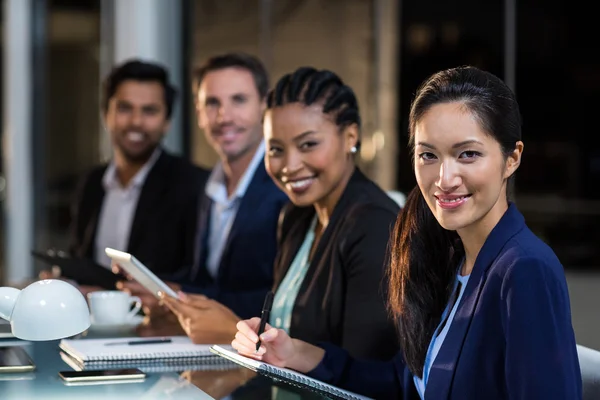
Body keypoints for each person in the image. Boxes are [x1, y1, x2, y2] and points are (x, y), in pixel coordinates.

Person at [230, 66, 582, 399]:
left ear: (512, 158)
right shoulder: (448, 259)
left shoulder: (524, 268)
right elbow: (402, 385)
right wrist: (294, 353)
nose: (444, 179)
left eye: (468, 154)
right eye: (428, 155)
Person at [164, 67, 400, 360]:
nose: (289, 165)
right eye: (275, 149)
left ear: (350, 136)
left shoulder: (376, 225)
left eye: (308, 144)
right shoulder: (296, 217)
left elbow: (365, 372)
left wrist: (232, 332)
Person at [120, 53, 288, 342]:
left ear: (263, 106)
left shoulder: (283, 185)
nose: (224, 116)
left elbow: (283, 299)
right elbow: (210, 280)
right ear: (198, 112)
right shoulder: (210, 186)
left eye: (239, 100)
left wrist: (181, 296)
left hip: (263, 357)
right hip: (215, 349)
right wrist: (163, 289)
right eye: (212, 103)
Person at [44, 60, 209, 295]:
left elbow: (194, 277)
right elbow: (81, 259)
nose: (136, 122)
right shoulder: (91, 183)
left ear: (167, 122)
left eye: (149, 111)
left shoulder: (193, 185)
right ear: (106, 114)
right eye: (124, 108)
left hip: (158, 328)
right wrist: (65, 280)